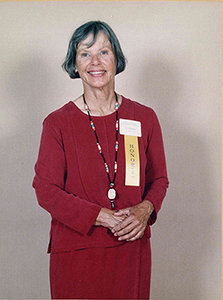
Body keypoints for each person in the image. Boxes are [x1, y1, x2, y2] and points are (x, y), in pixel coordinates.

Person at [33, 20, 169, 299]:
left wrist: (145, 209)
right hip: (77, 251)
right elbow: (46, 190)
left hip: (131, 248)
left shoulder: (144, 117)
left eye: (104, 52)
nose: (95, 61)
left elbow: (159, 179)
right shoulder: (57, 123)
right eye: (85, 53)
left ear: (116, 58)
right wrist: (101, 216)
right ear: (75, 64)